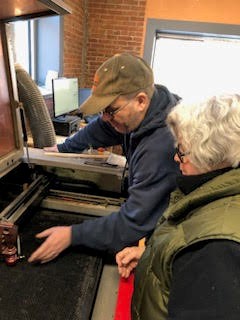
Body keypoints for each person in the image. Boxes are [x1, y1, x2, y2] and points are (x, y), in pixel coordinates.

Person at [28, 53, 180, 264]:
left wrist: (72, 235)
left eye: (110, 110)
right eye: (102, 110)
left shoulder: (161, 146)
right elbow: (100, 128)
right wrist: (62, 148)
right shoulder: (146, 109)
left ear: (141, 101)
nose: (105, 118)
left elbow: (134, 223)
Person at [116, 93, 240, 319]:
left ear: (210, 156)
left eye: (181, 151)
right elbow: (186, 243)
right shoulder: (211, 195)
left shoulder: (216, 249)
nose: (175, 158)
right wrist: (151, 257)